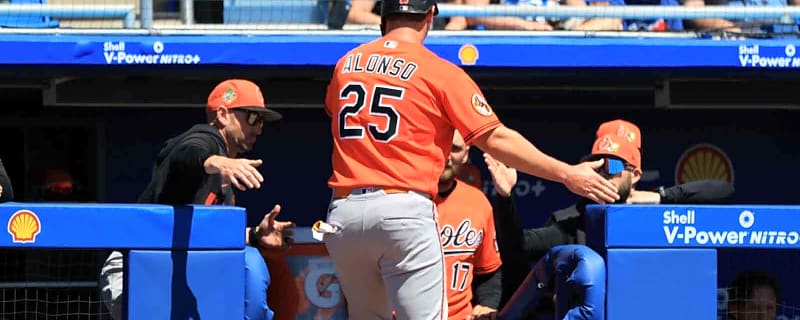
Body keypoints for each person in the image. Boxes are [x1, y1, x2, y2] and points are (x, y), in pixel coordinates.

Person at [320, 0, 619, 318]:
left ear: (384, 16)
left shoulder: (346, 63)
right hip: (401, 210)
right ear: (430, 16)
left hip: (344, 215)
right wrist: (567, 174)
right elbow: (496, 138)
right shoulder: (438, 69)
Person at [487, 119, 735, 310]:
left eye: (613, 166)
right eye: (598, 166)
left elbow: (724, 191)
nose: (605, 174)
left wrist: (661, 196)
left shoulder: (655, 214)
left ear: (635, 175)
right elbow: (517, 245)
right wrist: (505, 196)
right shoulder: (571, 222)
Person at [99, 79, 295, 320]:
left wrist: (254, 235)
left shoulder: (224, 174)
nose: (259, 128)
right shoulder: (206, 140)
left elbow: (203, 232)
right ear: (223, 115)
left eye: (262, 120)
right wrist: (215, 161)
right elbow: (187, 153)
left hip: (171, 266)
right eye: (253, 118)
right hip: (135, 267)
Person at [437, 131, 502, 320]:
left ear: (466, 155)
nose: (446, 155)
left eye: (455, 149)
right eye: (440, 145)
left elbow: (488, 270)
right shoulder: (401, 198)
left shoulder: (478, 202)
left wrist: (487, 305)